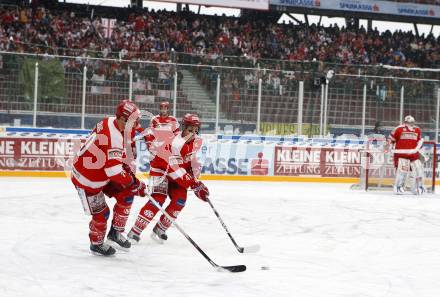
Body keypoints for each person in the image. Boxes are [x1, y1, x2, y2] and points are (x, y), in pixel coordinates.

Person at [71, 99, 147, 256]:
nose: (134, 125)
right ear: (121, 118)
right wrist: (134, 182)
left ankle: (115, 232)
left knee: (127, 195)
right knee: (102, 213)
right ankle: (96, 243)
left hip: (102, 172)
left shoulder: (112, 122)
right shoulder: (113, 137)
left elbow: (115, 161)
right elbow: (114, 172)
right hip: (87, 179)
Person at [128, 113, 209, 243]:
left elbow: (189, 162)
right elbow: (176, 171)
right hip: (160, 171)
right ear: (183, 127)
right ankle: (135, 231)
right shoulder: (174, 143)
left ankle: (160, 228)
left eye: (195, 130)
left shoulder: (196, 142)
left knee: (180, 201)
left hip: (177, 174)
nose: (192, 133)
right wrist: (194, 184)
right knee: (158, 199)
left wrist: (195, 177)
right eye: (189, 130)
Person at [387, 115, 424, 195]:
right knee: (402, 172)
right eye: (409, 122)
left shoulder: (417, 129)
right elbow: (390, 139)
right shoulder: (398, 129)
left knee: (419, 170)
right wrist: (389, 146)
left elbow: (419, 141)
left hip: (414, 155)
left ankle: (418, 187)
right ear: (405, 122)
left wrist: (420, 147)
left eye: (412, 122)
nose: (410, 124)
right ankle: (398, 187)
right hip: (401, 155)